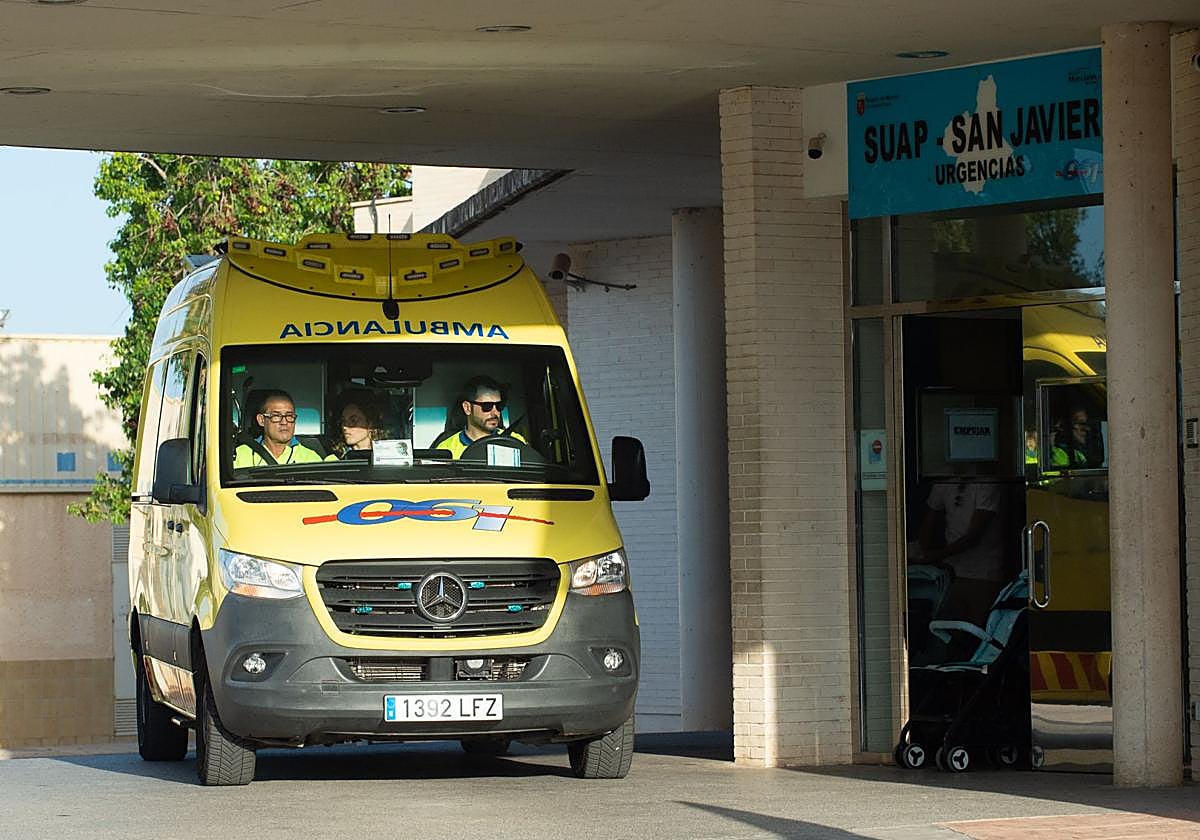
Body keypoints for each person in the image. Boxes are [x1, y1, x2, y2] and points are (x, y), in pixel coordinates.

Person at [917, 479, 1008, 627]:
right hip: (950, 574)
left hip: (983, 573)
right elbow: (929, 523)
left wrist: (934, 556)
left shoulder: (988, 483)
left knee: (977, 634)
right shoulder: (944, 479)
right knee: (946, 631)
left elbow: (974, 536)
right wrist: (920, 551)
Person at [435, 375, 525, 459]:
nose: (495, 412)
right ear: (467, 408)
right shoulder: (446, 449)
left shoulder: (515, 441)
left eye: (499, 405)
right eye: (487, 406)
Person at [233, 390, 325, 467]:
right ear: (261, 420)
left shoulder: (311, 459)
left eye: (289, 416)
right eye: (276, 416)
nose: (284, 422)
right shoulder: (239, 455)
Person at [331, 392, 385, 459]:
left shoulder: (388, 456)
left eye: (353, 420)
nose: (344, 427)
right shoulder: (336, 458)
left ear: (370, 423)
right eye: (343, 421)